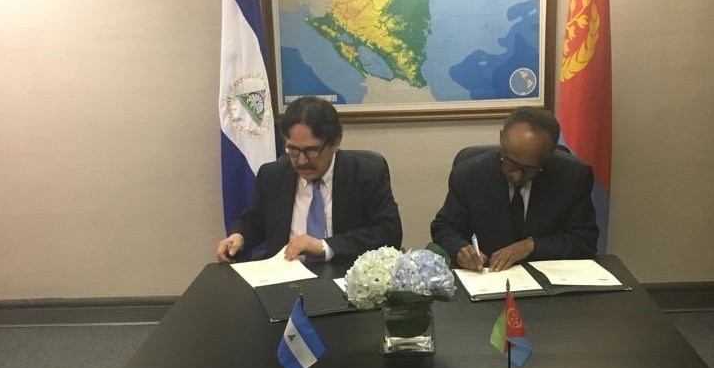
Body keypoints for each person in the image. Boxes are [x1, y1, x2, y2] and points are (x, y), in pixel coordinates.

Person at [216, 96, 402, 263]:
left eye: (312, 151)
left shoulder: (366, 174)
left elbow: (388, 232)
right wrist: (239, 237)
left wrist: (324, 246)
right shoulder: (271, 175)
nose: (302, 161)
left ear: (335, 142)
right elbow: (254, 221)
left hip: (343, 276)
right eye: (293, 150)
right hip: (284, 276)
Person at [431, 107, 598, 272]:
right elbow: (444, 227)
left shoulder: (573, 177)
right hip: (487, 277)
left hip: (548, 279)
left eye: (529, 168)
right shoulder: (469, 175)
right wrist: (460, 249)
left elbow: (584, 240)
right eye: (510, 163)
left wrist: (531, 246)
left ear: (548, 157)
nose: (517, 176)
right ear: (501, 138)